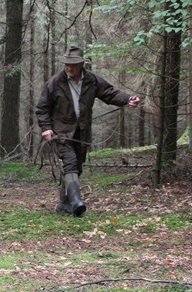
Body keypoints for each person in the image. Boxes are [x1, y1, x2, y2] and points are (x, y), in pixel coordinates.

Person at [36, 46, 141, 217]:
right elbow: (42, 108)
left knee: (76, 167)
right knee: (69, 161)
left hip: (81, 132)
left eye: (73, 65)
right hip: (60, 132)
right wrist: (46, 128)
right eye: (66, 65)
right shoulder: (55, 83)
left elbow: (109, 93)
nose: (68, 68)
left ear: (81, 65)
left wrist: (127, 99)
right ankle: (77, 202)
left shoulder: (92, 80)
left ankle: (64, 204)